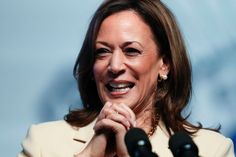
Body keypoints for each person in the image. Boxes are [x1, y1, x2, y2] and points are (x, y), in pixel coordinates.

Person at [18, 0, 235, 157]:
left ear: (164, 64)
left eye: (131, 51)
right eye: (102, 52)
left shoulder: (209, 149)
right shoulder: (43, 143)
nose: (114, 66)